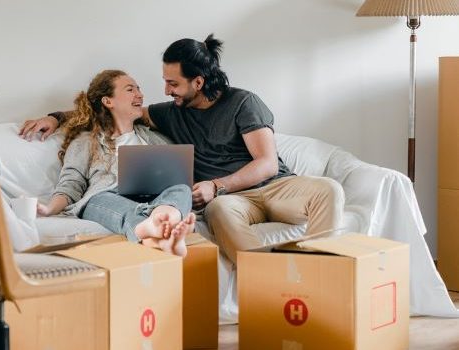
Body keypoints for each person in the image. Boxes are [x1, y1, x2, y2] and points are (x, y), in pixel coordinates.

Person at [20, 34, 344, 262]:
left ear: (198, 82)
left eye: (173, 83)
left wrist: (215, 185)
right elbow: (106, 112)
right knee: (218, 212)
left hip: (275, 188)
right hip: (229, 203)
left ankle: (319, 270)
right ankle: (263, 276)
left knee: (329, 190)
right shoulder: (168, 112)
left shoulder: (243, 103)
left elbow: (267, 164)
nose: (164, 90)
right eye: (164, 81)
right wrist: (56, 116)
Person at [36, 69, 195, 257]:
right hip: (107, 199)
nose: (140, 95)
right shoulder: (86, 141)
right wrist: (49, 209)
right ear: (108, 101)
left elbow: (177, 178)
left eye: (139, 89)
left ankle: (161, 226)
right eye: (130, 89)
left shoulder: (156, 139)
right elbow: (71, 184)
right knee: (97, 199)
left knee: (181, 188)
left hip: (154, 200)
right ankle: (157, 230)